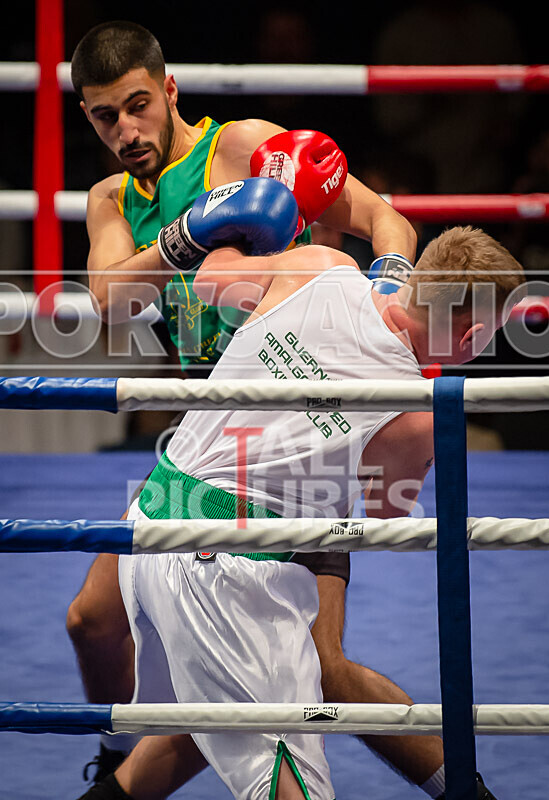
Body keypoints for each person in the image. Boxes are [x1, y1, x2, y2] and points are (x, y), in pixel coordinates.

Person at [65, 19, 480, 799]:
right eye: (102, 116)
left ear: (170, 90)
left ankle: (468, 787)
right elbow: (109, 303)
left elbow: (386, 219)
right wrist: (189, 236)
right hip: (206, 447)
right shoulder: (108, 203)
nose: (125, 130)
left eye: (137, 105)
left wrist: (389, 276)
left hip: (300, 454)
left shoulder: (245, 145)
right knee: (91, 621)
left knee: (321, 675)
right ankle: (118, 753)